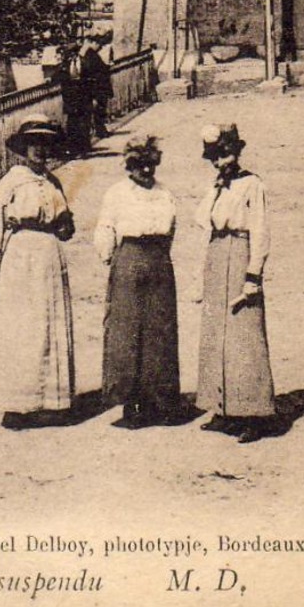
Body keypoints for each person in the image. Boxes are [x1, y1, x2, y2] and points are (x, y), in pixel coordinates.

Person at [0, 115, 77, 429]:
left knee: (49, 324)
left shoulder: (53, 182)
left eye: (45, 144)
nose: (40, 150)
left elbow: (66, 224)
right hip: (21, 255)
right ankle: (18, 405)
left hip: (49, 254)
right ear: (24, 148)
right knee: (22, 326)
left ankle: (52, 402)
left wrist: (64, 224)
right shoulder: (12, 181)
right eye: (34, 144)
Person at [196, 124, 277, 443]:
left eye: (226, 154)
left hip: (241, 253)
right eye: (215, 157)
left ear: (238, 152)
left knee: (244, 335)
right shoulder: (219, 184)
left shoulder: (252, 184)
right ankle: (223, 408)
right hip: (218, 255)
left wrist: (253, 274)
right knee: (217, 333)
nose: (221, 162)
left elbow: (260, 230)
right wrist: (216, 189)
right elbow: (203, 219)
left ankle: (253, 414)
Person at [94, 136, 181, 427]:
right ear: (129, 167)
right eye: (139, 165)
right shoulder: (117, 193)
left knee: (160, 328)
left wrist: (160, 258)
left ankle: (159, 400)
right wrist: (113, 260)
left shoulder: (165, 193)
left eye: (150, 165)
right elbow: (106, 227)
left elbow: (170, 231)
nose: (145, 171)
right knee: (127, 329)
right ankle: (130, 402)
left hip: (158, 261)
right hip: (129, 259)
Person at [80, 35, 114, 139]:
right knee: (99, 110)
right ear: (93, 43)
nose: (100, 47)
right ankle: (100, 131)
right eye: (99, 44)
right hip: (97, 87)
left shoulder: (91, 54)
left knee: (100, 110)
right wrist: (107, 67)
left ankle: (101, 130)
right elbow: (95, 71)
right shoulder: (90, 55)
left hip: (99, 87)